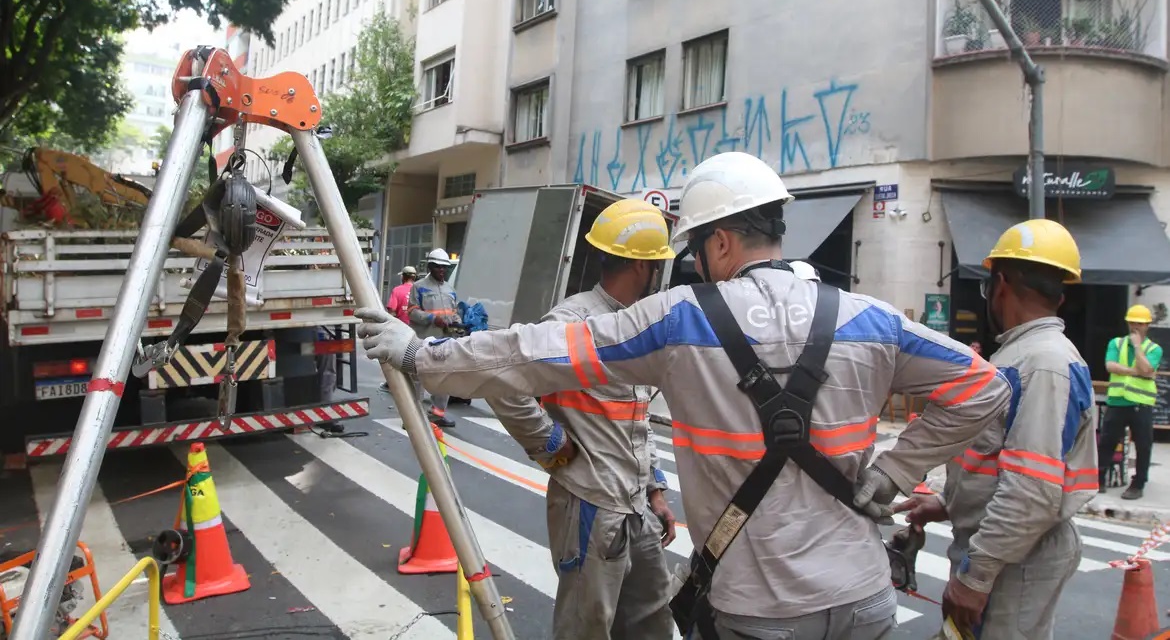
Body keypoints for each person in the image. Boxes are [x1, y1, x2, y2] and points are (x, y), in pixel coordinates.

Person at [355, 151, 1010, 640]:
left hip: (759, 611)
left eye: (696, 249)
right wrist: (896, 469)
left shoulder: (679, 320)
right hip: (865, 603)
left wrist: (421, 356)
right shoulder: (869, 319)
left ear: (721, 240)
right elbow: (984, 388)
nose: (692, 265)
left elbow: (533, 355)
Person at [485, 199, 678, 640]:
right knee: (586, 627)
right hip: (590, 503)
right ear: (641, 267)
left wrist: (656, 489)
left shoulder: (636, 323)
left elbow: (635, 418)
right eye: (656, 266)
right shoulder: (574, 322)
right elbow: (502, 382)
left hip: (635, 504)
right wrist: (550, 443)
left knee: (652, 621)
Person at [895, 219, 1097, 638]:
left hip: (1017, 559)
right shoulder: (1022, 355)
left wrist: (976, 578)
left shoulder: (1043, 364)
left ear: (1000, 284)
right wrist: (948, 504)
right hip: (1005, 549)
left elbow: (1031, 491)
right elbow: (998, 461)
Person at [1098, 303, 1163, 500]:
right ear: (1127, 323)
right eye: (1133, 322)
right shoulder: (1116, 343)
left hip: (1141, 404)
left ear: (1147, 326)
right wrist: (1135, 371)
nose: (1136, 326)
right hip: (1118, 401)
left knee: (1143, 445)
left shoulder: (1153, 348)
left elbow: (1147, 368)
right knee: (1108, 441)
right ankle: (1098, 478)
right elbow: (1110, 365)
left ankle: (1138, 484)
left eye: (1140, 323)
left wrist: (1136, 347)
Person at [408, 248, 462, 428]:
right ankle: (413, 418)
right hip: (424, 339)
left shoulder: (450, 289)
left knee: (444, 377)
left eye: (444, 268)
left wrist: (459, 324)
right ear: (430, 266)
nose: (442, 270)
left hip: (445, 340)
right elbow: (412, 312)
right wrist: (432, 319)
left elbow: (453, 313)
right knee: (418, 378)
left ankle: (438, 414)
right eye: (438, 267)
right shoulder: (419, 286)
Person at [379, 266, 418, 393]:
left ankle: (393, 383)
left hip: (402, 330)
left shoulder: (397, 290)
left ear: (403, 277)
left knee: (395, 356)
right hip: (417, 329)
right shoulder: (419, 290)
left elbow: (392, 312)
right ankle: (414, 383)